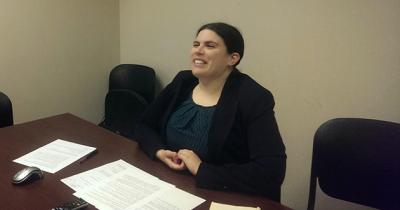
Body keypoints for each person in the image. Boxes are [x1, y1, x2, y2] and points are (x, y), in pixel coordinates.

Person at [134, 22, 286, 202]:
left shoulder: (253, 97)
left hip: (224, 196)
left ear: (232, 58)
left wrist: (201, 169)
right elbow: (144, 124)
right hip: (172, 186)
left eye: (210, 46)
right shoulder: (183, 81)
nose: (198, 51)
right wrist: (159, 151)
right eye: (196, 44)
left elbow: (271, 171)